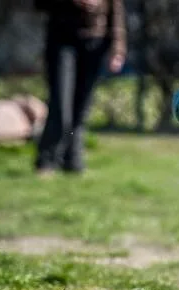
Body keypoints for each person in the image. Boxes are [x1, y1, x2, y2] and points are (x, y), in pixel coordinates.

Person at [34, 0, 127, 175]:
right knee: (61, 104)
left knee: (81, 107)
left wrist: (118, 48)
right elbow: (39, 5)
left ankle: (73, 161)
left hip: (96, 42)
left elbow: (117, 10)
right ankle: (46, 161)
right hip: (62, 39)